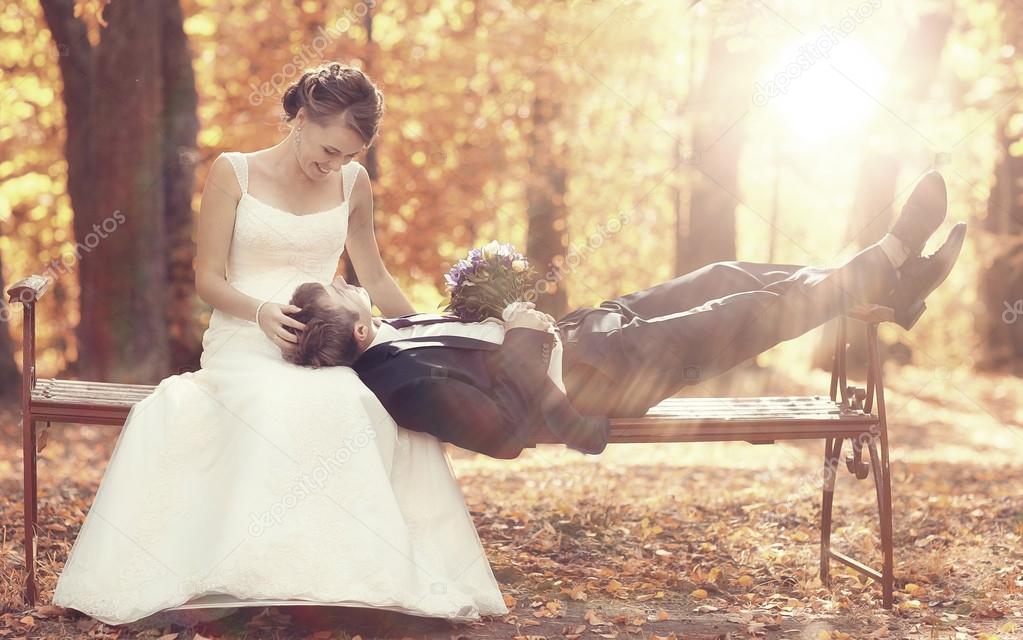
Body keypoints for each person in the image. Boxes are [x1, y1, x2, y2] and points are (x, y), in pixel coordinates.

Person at [51, 62, 508, 625]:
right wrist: (261, 311)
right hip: (245, 332)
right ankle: (251, 576)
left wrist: (425, 334)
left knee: (360, 402)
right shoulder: (233, 173)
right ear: (300, 116)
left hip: (328, 340)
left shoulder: (353, 184)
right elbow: (208, 280)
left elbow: (376, 274)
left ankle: (349, 577)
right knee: (272, 400)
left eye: (347, 155)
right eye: (329, 148)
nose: (334, 164)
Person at [284, 172, 966, 459]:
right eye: (342, 289)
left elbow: (474, 339)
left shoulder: (394, 333)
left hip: (589, 332)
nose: (350, 280)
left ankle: (888, 292)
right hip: (598, 380)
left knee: (721, 275)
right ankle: (887, 260)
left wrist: (500, 306)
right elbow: (499, 433)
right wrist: (521, 337)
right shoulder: (401, 383)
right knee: (744, 311)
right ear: (359, 327)